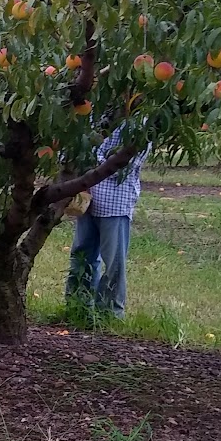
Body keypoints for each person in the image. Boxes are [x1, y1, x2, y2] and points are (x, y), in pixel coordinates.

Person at [66, 125, 149, 319]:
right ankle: (78, 307)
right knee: (81, 255)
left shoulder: (141, 121)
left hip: (115, 201)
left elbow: (126, 165)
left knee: (114, 262)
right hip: (86, 197)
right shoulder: (96, 112)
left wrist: (88, 160)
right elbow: (72, 149)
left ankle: (110, 313)